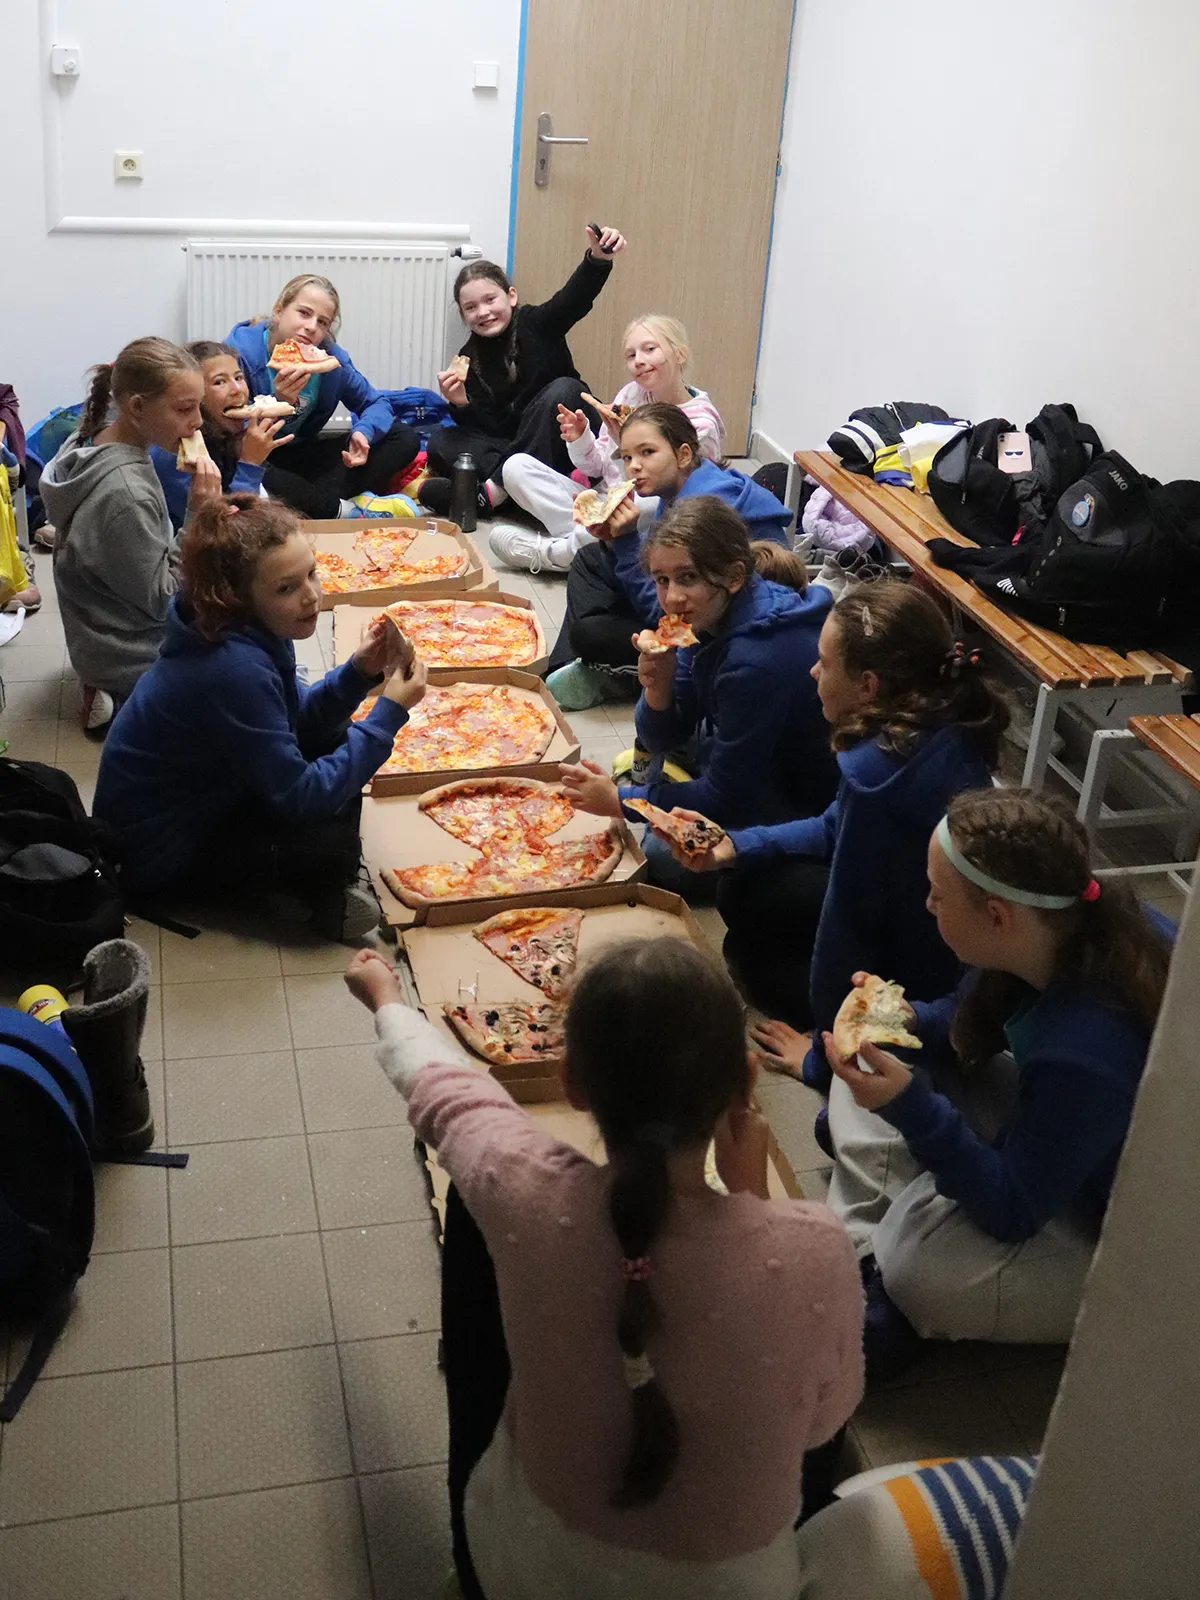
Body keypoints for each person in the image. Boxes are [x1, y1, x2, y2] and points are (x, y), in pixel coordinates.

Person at [346, 935, 863, 1600]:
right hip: (735, 1588)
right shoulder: (816, 1250)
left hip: (531, 1569)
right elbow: (823, 1424)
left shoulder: (524, 1193)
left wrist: (387, 1000)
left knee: (474, 1219)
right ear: (746, 1081)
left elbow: (444, 1090)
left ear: (570, 1083)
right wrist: (753, 1199)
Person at [818, 787, 1172, 1362]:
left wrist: (911, 1109)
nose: (927, 904)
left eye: (937, 894)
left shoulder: (1088, 1045)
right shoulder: (1062, 929)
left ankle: (875, 1256)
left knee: (917, 1266)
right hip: (1075, 1149)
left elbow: (1014, 1209)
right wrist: (907, 1019)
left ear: (997, 916)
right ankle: (869, 1252)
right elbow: (964, 1023)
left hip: (1131, 1233)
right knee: (871, 1053)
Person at [680, 582, 1009, 1062]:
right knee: (742, 884)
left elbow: (848, 929)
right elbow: (833, 827)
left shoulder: (876, 776)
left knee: (751, 959)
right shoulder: (940, 722)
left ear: (868, 686)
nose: (813, 671)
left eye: (825, 663)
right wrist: (738, 845)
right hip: (928, 937)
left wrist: (822, 1054)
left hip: (917, 985)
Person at [92, 493, 427, 943]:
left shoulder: (240, 624)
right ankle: (309, 900)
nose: (311, 595)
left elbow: (294, 720)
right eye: (287, 588)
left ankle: (297, 878)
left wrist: (357, 673)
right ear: (236, 596)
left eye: (312, 573)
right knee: (330, 847)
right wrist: (389, 713)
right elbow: (301, 797)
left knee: (338, 740)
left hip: (206, 792)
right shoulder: (233, 669)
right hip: (157, 851)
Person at [560, 499, 837, 899]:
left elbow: (725, 799)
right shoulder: (701, 616)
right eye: (661, 579)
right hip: (746, 759)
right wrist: (658, 688)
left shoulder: (755, 661)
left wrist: (619, 801)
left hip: (793, 804)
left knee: (661, 856)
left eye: (688, 577)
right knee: (649, 778)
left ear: (734, 577)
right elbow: (660, 737)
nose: (672, 598)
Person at [546, 404, 793, 710]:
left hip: (716, 626)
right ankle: (571, 666)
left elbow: (667, 609)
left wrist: (625, 541)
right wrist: (612, 541)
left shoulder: (702, 508)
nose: (634, 466)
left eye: (647, 452)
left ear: (683, 454)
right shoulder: (684, 485)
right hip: (698, 598)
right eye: (627, 457)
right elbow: (661, 573)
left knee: (590, 634)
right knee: (589, 558)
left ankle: (639, 675)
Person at [41, 337, 222, 734]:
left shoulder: (94, 438)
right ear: (137, 407)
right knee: (244, 659)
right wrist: (198, 513)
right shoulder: (125, 492)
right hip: (127, 647)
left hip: (98, 628)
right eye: (184, 409)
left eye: (199, 406)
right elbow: (162, 600)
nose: (198, 422)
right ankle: (120, 695)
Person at [420, 223, 627, 520]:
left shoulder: (537, 323)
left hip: (568, 438)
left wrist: (598, 259)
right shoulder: (468, 358)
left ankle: (496, 492)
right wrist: (462, 404)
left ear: (511, 297)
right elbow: (492, 430)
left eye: (490, 300)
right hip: (521, 449)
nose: (483, 312)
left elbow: (574, 299)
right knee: (442, 440)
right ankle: (518, 492)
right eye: (471, 307)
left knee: (565, 389)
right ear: (464, 316)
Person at [490, 313, 726, 573]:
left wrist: (627, 445)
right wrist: (581, 438)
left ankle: (556, 555)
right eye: (631, 355)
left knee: (648, 503)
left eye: (649, 349)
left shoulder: (701, 423)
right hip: (607, 498)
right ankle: (590, 547)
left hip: (653, 511)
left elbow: (688, 499)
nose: (639, 361)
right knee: (514, 467)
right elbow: (596, 468)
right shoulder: (631, 395)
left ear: (680, 354)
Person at [226, 273, 420, 519]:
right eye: (304, 313)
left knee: (403, 437)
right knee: (245, 470)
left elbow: (376, 403)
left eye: (322, 322)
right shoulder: (240, 355)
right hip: (260, 456)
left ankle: (312, 503)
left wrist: (363, 433)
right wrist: (279, 402)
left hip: (303, 452)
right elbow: (232, 432)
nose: (311, 327)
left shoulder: (330, 360)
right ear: (279, 310)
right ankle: (340, 508)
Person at [150, 341, 292, 530]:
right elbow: (225, 530)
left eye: (239, 377)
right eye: (219, 382)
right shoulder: (176, 452)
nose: (237, 390)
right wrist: (249, 462)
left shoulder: (227, 429)